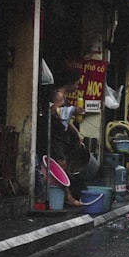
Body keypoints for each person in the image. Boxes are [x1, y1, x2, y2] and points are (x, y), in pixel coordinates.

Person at [49, 72, 84, 206]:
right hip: (55, 136)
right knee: (61, 164)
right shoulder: (58, 95)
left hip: (62, 136)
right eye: (76, 83)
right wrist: (73, 110)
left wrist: (77, 134)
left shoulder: (64, 96)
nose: (77, 86)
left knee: (62, 164)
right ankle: (68, 197)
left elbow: (66, 120)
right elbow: (54, 112)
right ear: (69, 83)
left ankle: (66, 195)